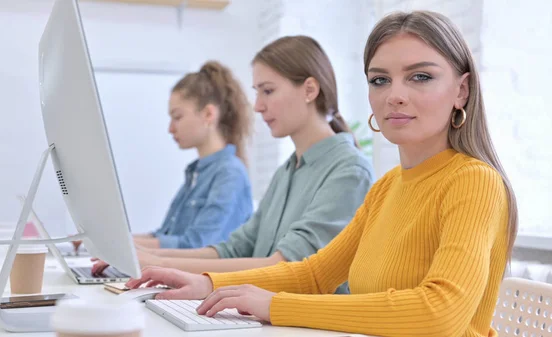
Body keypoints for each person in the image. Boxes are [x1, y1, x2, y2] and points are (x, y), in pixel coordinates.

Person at [125, 11, 518, 337]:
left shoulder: (473, 181)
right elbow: (316, 273)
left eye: (420, 76)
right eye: (380, 79)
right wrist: (207, 284)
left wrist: (274, 306)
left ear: (462, 91)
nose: (394, 94)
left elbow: (440, 312)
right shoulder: (386, 188)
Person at [94, 36, 375, 295]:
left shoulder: (349, 171)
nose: (257, 106)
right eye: (257, 92)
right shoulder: (287, 171)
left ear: (310, 90)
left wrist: (161, 263)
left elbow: (284, 266)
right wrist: (154, 261)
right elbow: (233, 248)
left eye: (268, 91)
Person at [131, 61, 254, 249]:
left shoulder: (230, 174)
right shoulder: (196, 173)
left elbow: (197, 245)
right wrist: (110, 242)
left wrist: (124, 245)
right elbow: (165, 235)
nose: (171, 128)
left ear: (208, 114)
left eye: (177, 117)